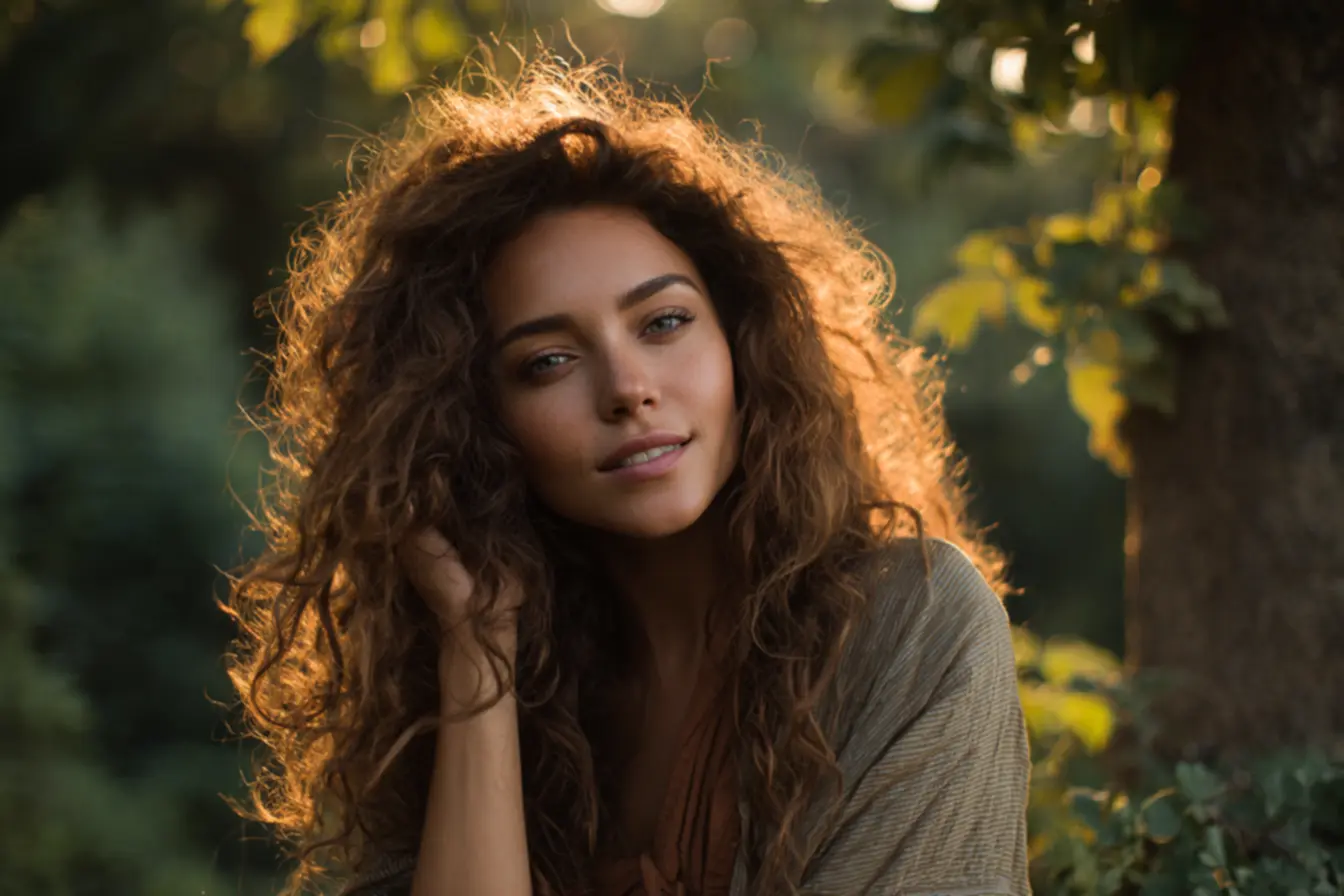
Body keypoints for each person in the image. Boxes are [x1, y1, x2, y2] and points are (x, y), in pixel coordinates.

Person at [227, 56, 1030, 896]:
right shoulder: (498, 685)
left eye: (665, 322)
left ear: (742, 343)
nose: (627, 389)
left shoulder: (912, 624)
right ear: (471, 423)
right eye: (548, 362)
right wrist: (476, 645)